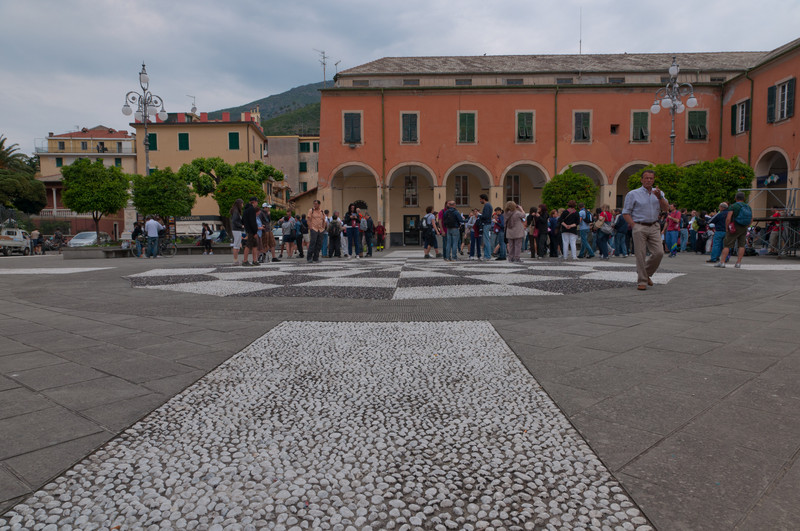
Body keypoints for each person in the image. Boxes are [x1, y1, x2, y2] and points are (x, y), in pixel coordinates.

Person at [622, 169, 668, 290]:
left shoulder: (658, 193)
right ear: (642, 180)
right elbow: (626, 212)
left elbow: (666, 208)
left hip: (654, 225)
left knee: (659, 252)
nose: (648, 180)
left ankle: (646, 274)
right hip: (639, 225)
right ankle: (642, 281)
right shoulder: (633, 194)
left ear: (653, 180)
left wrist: (660, 198)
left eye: (651, 178)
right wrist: (634, 225)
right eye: (646, 178)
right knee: (640, 254)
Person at [716, 192, 752, 269]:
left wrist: (726, 227)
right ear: (744, 198)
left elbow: (728, 218)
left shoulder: (733, 206)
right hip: (744, 227)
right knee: (741, 245)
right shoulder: (748, 207)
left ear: (735, 198)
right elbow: (751, 218)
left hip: (734, 227)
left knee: (727, 244)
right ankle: (738, 263)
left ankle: (722, 262)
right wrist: (748, 226)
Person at [241, 197, 260, 266]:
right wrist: (255, 232)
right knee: (248, 245)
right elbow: (253, 222)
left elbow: (242, 220)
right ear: (254, 202)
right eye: (257, 202)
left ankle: (255, 260)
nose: (257, 204)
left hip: (248, 229)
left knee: (254, 245)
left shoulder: (245, 210)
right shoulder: (252, 209)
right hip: (251, 230)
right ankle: (245, 260)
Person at [230, 198, 244, 265]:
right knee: (236, 245)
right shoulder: (236, 212)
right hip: (237, 229)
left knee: (237, 244)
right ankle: (235, 260)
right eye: (242, 204)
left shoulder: (235, 211)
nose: (242, 205)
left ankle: (236, 260)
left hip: (236, 229)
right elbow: (234, 221)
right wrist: (241, 226)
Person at [479, 194, 493, 260]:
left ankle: (487, 256)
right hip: (487, 223)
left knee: (486, 240)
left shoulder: (487, 205)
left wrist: (479, 215)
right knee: (486, 239)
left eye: (480, 199)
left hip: (486, 224)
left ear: (483, 199)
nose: (480, 200)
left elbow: (486, 216)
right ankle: (487, 255)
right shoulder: (488, 205)